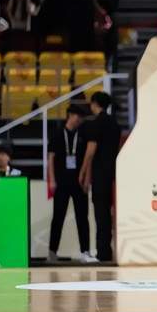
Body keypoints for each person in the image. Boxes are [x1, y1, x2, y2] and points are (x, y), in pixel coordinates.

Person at [48, 105, 97, 264]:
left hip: (79, 182)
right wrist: (52, 180)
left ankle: (85, 252)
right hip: (61, 181)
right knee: (58, 217)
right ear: (70, 115)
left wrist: (87, 179)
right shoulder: (57, 133)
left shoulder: (82, 134)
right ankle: (52, 252)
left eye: (81, 117)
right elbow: (51, 158)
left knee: (82, 217)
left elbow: (88, 159)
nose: (79, 120)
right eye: (77, 116)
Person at [79, 92, 120, 263]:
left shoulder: (96, 123)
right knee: (110, 213)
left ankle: (102, 252)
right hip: (115, 173)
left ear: (95, 103)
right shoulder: (114, 123)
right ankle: (108, 251)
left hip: (100, 173)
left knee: (100, 213)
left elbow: (91, 150)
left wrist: (83, 171)